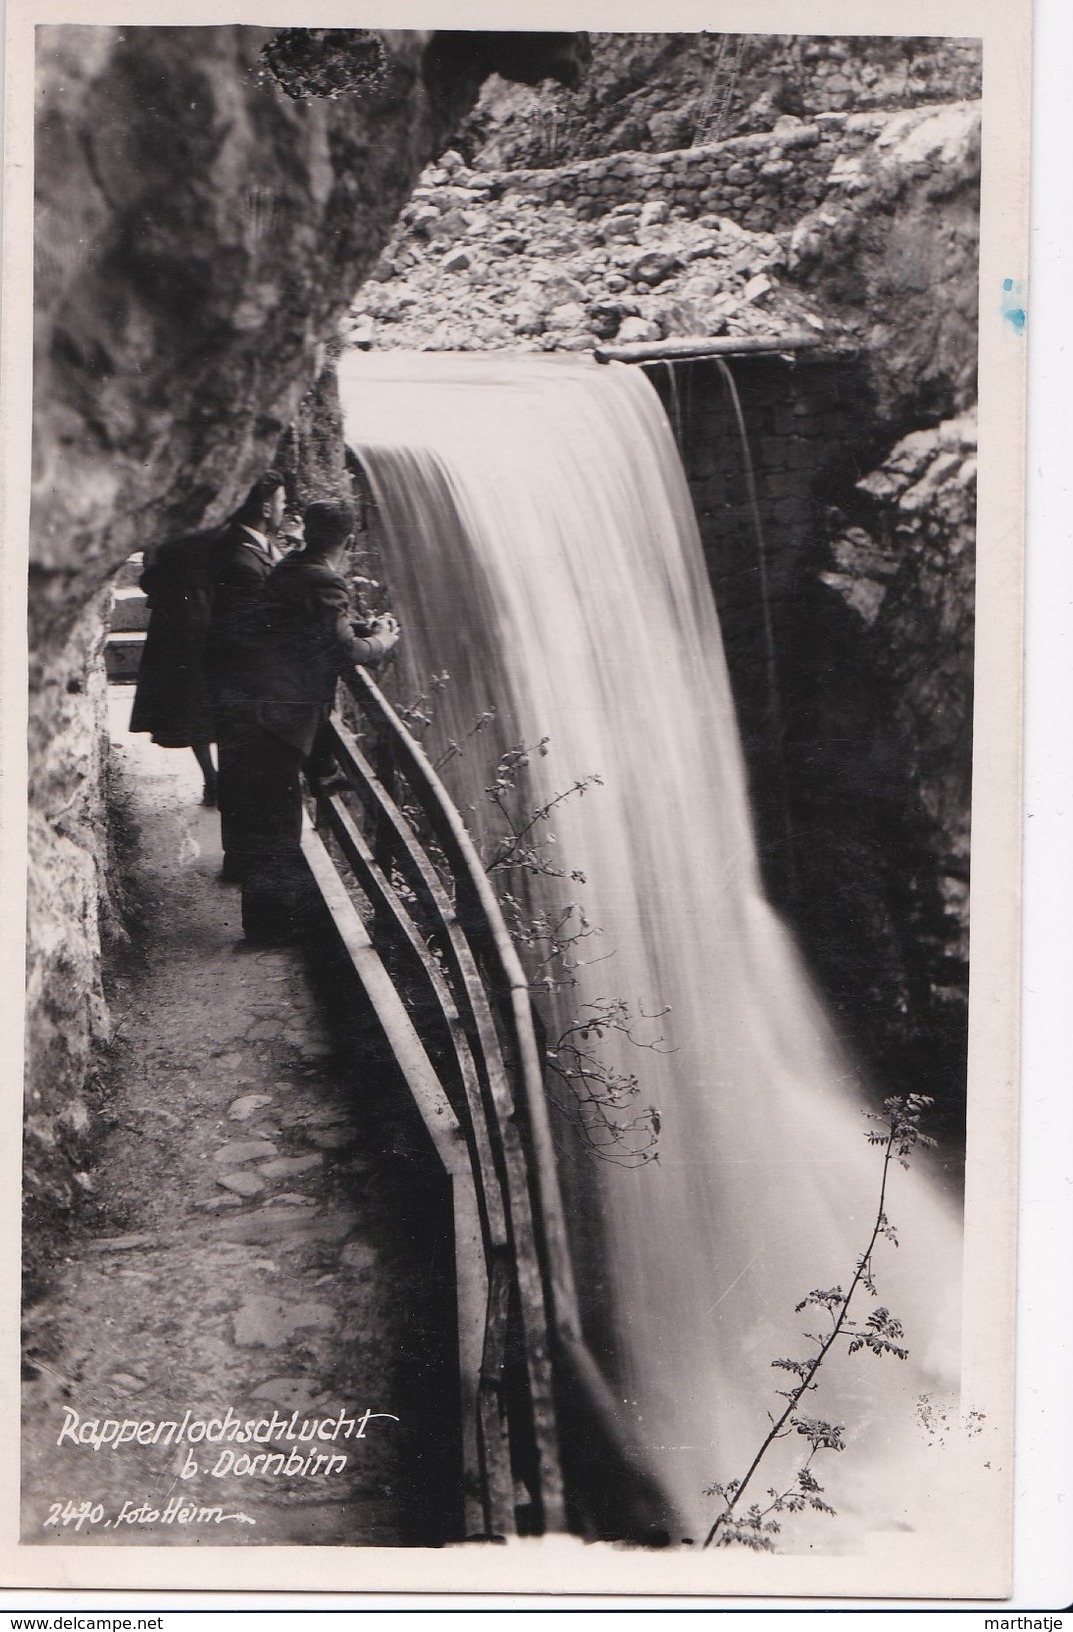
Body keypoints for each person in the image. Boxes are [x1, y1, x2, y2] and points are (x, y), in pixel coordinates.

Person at [238, 498, 400, 944]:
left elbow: (314, 628)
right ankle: (271, 930)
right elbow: (342, 651)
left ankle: (268, 921)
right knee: (279, 822)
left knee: (270, 818)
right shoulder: (326, 581)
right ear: (349, 540)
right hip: (284, 714)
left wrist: (356, 625)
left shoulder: (290, 568)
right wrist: (382, 641)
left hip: (257, 704)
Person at [203, 469, 289, 881]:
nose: (286, 508)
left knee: (244, 776)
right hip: (245, 689)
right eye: (282, 501)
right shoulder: (239, 560)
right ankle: (241, 860)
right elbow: (251, 631)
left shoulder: (256, 549)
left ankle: (242, 857)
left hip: (248, 688)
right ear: (266, 506)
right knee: (243, 777)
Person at [128, 526, 222, 804]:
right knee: (199, 701)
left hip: (184, 614)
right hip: (199, 612)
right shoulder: (210, 521)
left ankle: (212, 778)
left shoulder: (172, 523)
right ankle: (213, 778)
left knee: (195, 701)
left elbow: (149, 576)